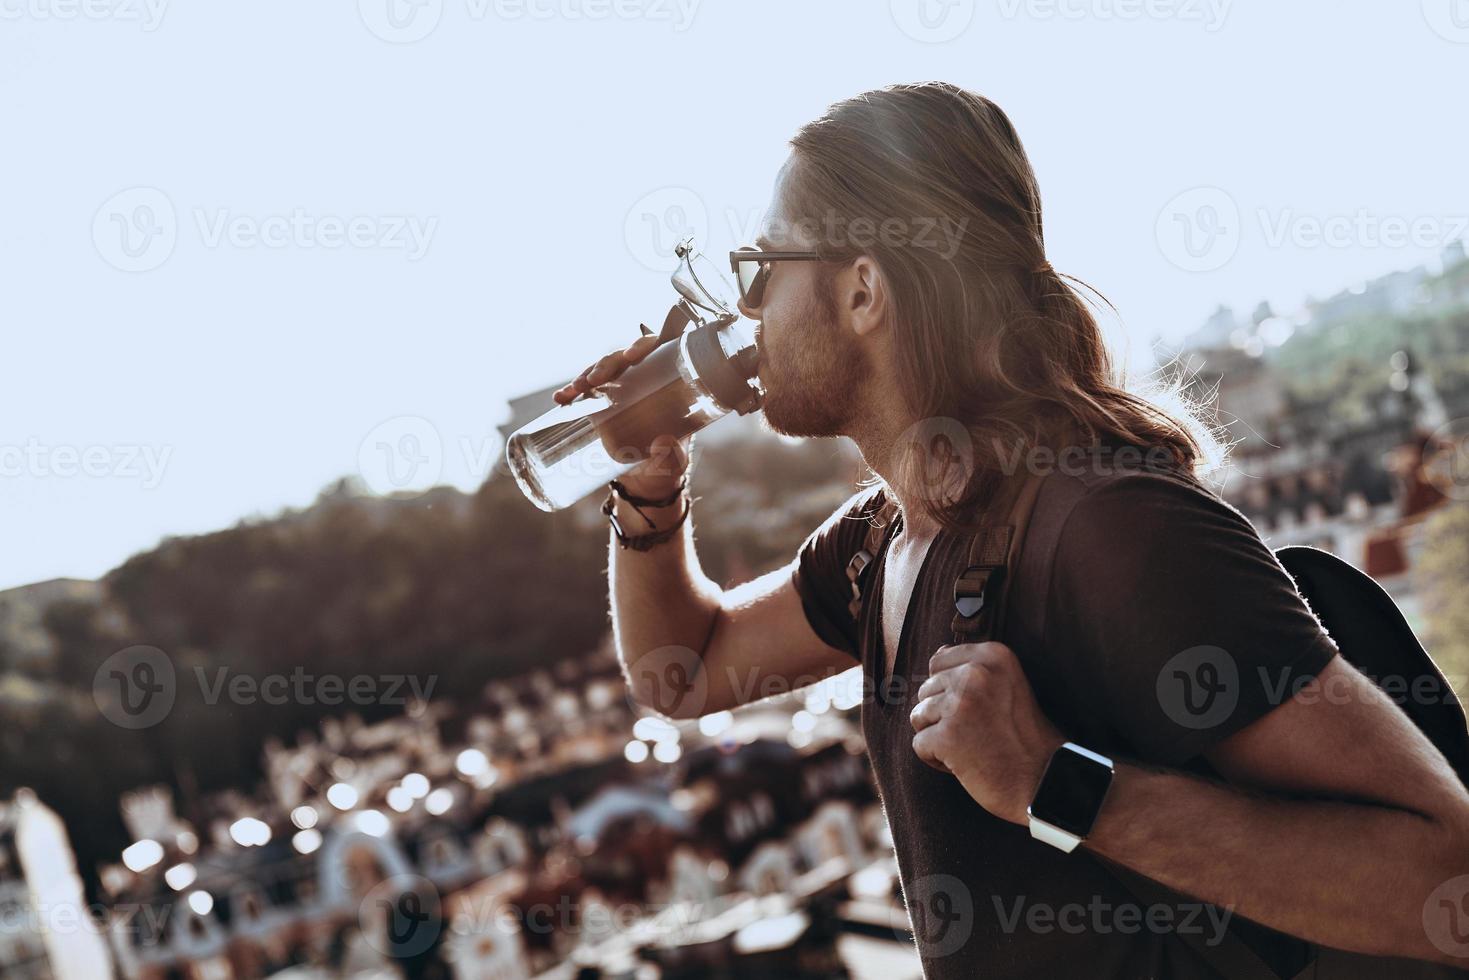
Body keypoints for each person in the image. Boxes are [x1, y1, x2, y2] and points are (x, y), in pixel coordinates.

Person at [558, 82, 1469, 978]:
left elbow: (1445, 880)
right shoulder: (880, 543)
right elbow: (682, 669)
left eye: (761, 269)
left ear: (864, 291)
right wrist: (650, 484)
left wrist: (1052, 784)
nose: (744, 309)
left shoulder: (1110, 529)